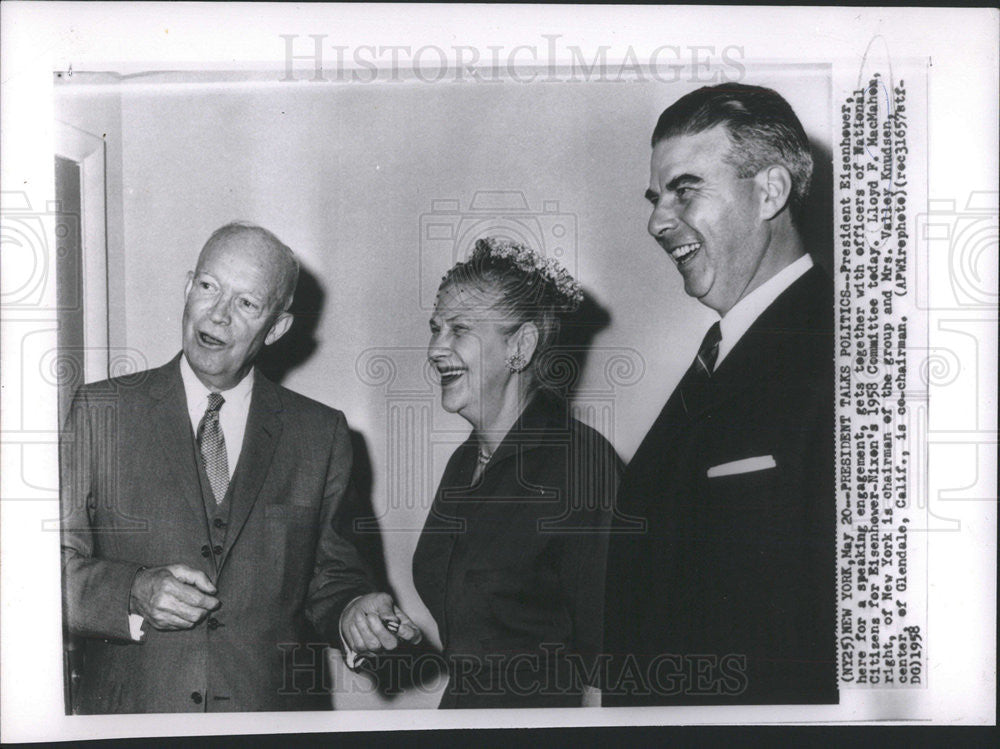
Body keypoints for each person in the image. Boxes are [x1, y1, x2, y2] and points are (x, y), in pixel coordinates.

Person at [60, 221, 419, 713]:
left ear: (276, 328)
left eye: (247, 303)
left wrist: (353, 611)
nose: (219, 315)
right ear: (188, 288)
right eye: (208, 287)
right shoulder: (101, 411)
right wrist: (131, 591)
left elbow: (333, 578)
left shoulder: (321, 435)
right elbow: (42, 574)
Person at [603, 83, 837, 706]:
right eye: (657, 198)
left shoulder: (844, 352)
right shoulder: (722, 351)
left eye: (686, 189)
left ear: (771, 192)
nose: (656, 221)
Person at [411, 237, 620, 708]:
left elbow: (610, 662)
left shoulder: (583, 466)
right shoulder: (463, 465)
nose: (434, 349)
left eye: (459, 329)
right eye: (435, 328)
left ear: (520, 346)